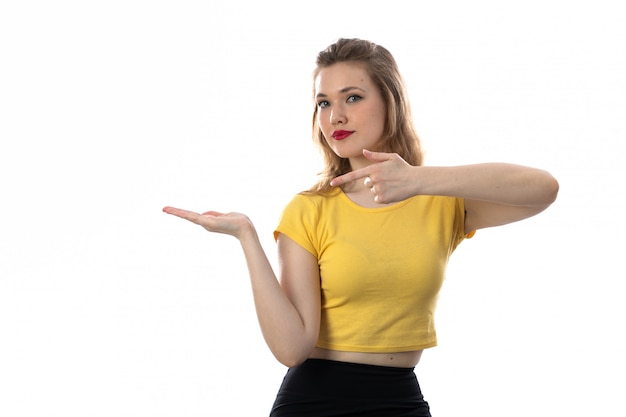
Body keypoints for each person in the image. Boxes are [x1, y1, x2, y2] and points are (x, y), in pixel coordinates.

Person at [163, 38, 559, 416]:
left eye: (352, 97)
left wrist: (419, 180)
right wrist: (246, 236)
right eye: (323, 102)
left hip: (399, 398)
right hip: (312, 401)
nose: (335, 116)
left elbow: (543, 189)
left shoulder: (440, 203)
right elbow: (292, 349)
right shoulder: (309, 210)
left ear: (391, 101)